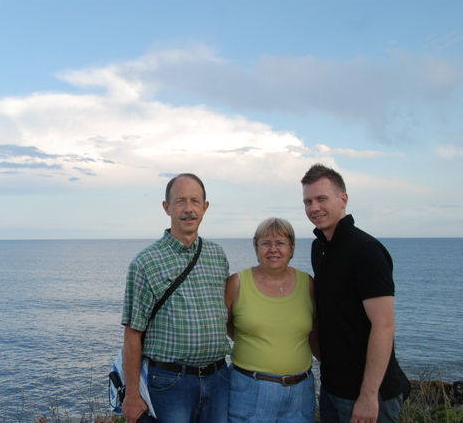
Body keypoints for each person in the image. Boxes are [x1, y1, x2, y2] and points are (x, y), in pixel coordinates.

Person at [120, 173, 231, 423]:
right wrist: (132, 395)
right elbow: (132, 333)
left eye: (195, 201)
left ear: (205, 207)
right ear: (166, 207)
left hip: (219, 379)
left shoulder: (217, 255)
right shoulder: (145, 262)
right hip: (171, 384)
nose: (189, 209)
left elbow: (226, 315)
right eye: (180, 201)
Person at [301, 164, 403, 423]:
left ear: (343, 199)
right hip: (332, 387)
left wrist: (369, 395)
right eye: (308, 201)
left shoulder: (366, 250)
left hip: (368, 394)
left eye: (322, 199)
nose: (314, 208)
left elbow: (384, 325)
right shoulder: (319, 248)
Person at [226, 217, 319, 423]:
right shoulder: (237, 283)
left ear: (292, 248)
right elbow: (224, 324)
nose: (273, 249)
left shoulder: (307, 283)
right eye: (266, 243)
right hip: (250, 391)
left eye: (280, 243)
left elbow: (313, 333)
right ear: (256, 247)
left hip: (301, 393)